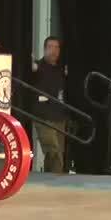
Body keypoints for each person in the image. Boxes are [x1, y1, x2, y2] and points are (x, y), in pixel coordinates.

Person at [31, 36, 69, 173]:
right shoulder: (37, 67)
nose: (54, 51)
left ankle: (49, 178)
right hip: (43, 116)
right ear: (44, 49)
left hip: (59, 115)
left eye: (56, 47)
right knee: (53, 150)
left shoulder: (61, 69)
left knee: (56, 153)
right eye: (50, 47)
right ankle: (58, 182)